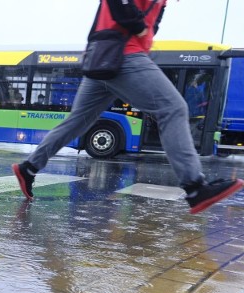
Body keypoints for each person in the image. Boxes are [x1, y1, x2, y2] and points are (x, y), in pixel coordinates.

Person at [12, 0, 243, 215]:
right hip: (124, 55)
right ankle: (195, 188)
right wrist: (138, 26)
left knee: (77, 122)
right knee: (173, 108)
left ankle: (29, 167)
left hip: (104, 59)